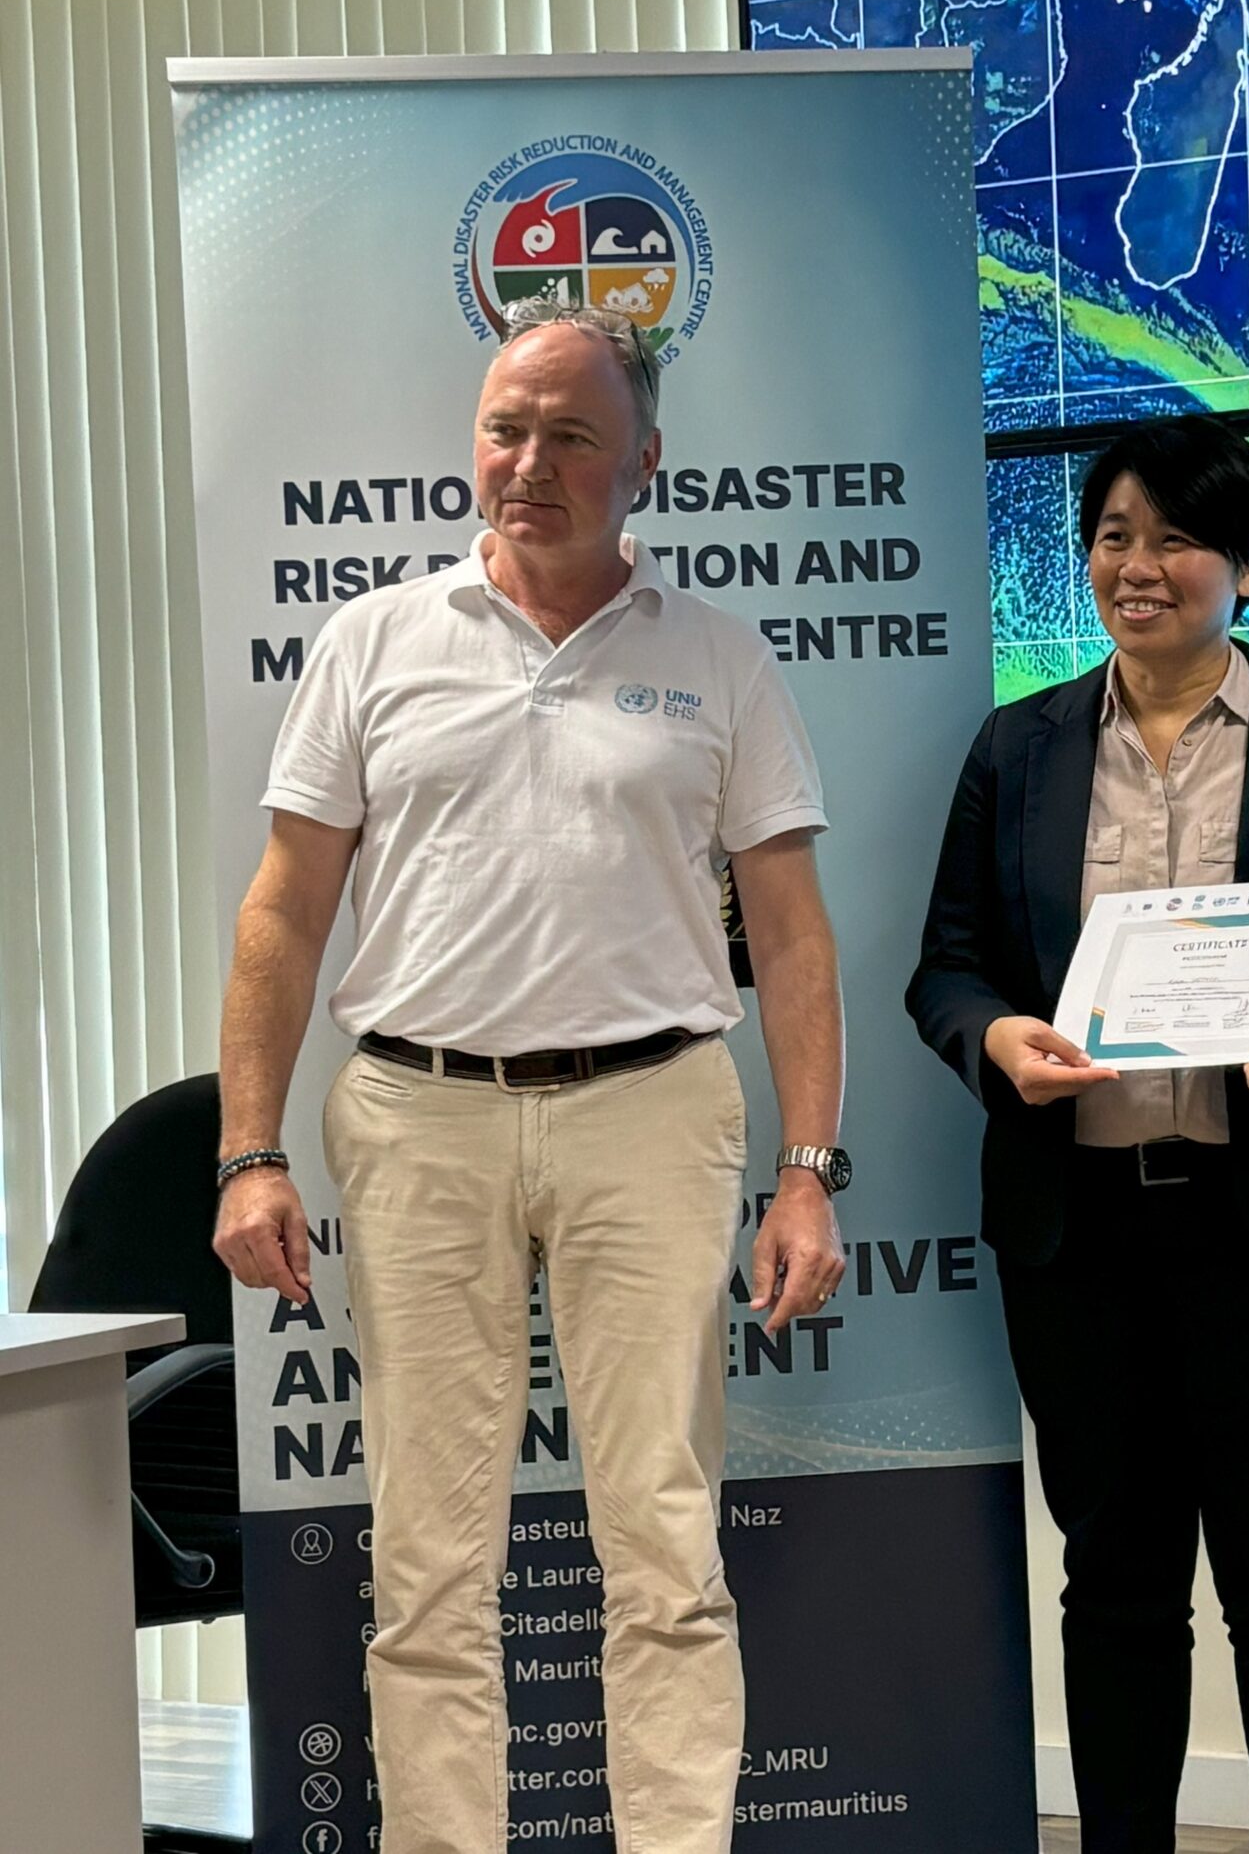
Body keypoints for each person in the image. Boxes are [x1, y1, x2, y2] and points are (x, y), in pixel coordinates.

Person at [212, 300, 849, 1854]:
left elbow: (792, 935)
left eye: (572, 435)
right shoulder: (375, 641)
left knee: (666, 1547)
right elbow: (284, 913)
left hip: (654, 1112)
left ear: (646, 461)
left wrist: (809, 1173)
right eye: (506, 428)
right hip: (416, 1113)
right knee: (427, 1560)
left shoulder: (718, 655)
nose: (529, 463)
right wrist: (250, 1149)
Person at [906, 414, 1249, 1854]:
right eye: (1113, 537)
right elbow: (947, 967)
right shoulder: (1018, 748)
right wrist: (994, 1039)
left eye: (1179, 538)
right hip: (1078, 1240)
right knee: (1115, 1585)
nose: (1137, 567)